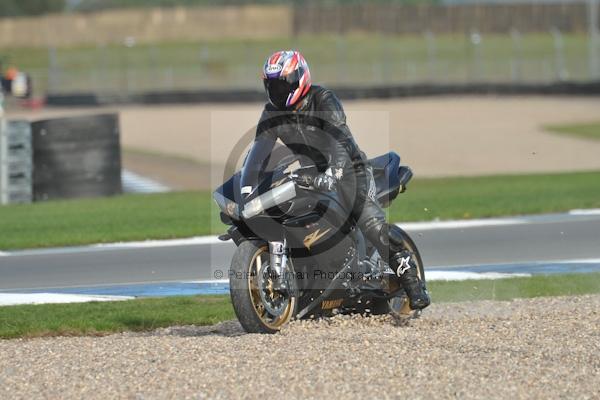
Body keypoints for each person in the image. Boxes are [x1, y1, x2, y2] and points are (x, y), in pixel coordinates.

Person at [243, 50, 430, 310]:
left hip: (350, 169)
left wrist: (334, 174)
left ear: (299, 78)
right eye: (271, 85)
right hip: (312, 172)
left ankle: (412, 282)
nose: (277, 90)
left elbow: (338, 140)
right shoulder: (271, 113)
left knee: (370, 223)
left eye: (282, 83)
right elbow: (259, 152)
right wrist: (247, 188)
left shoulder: (323, 99)